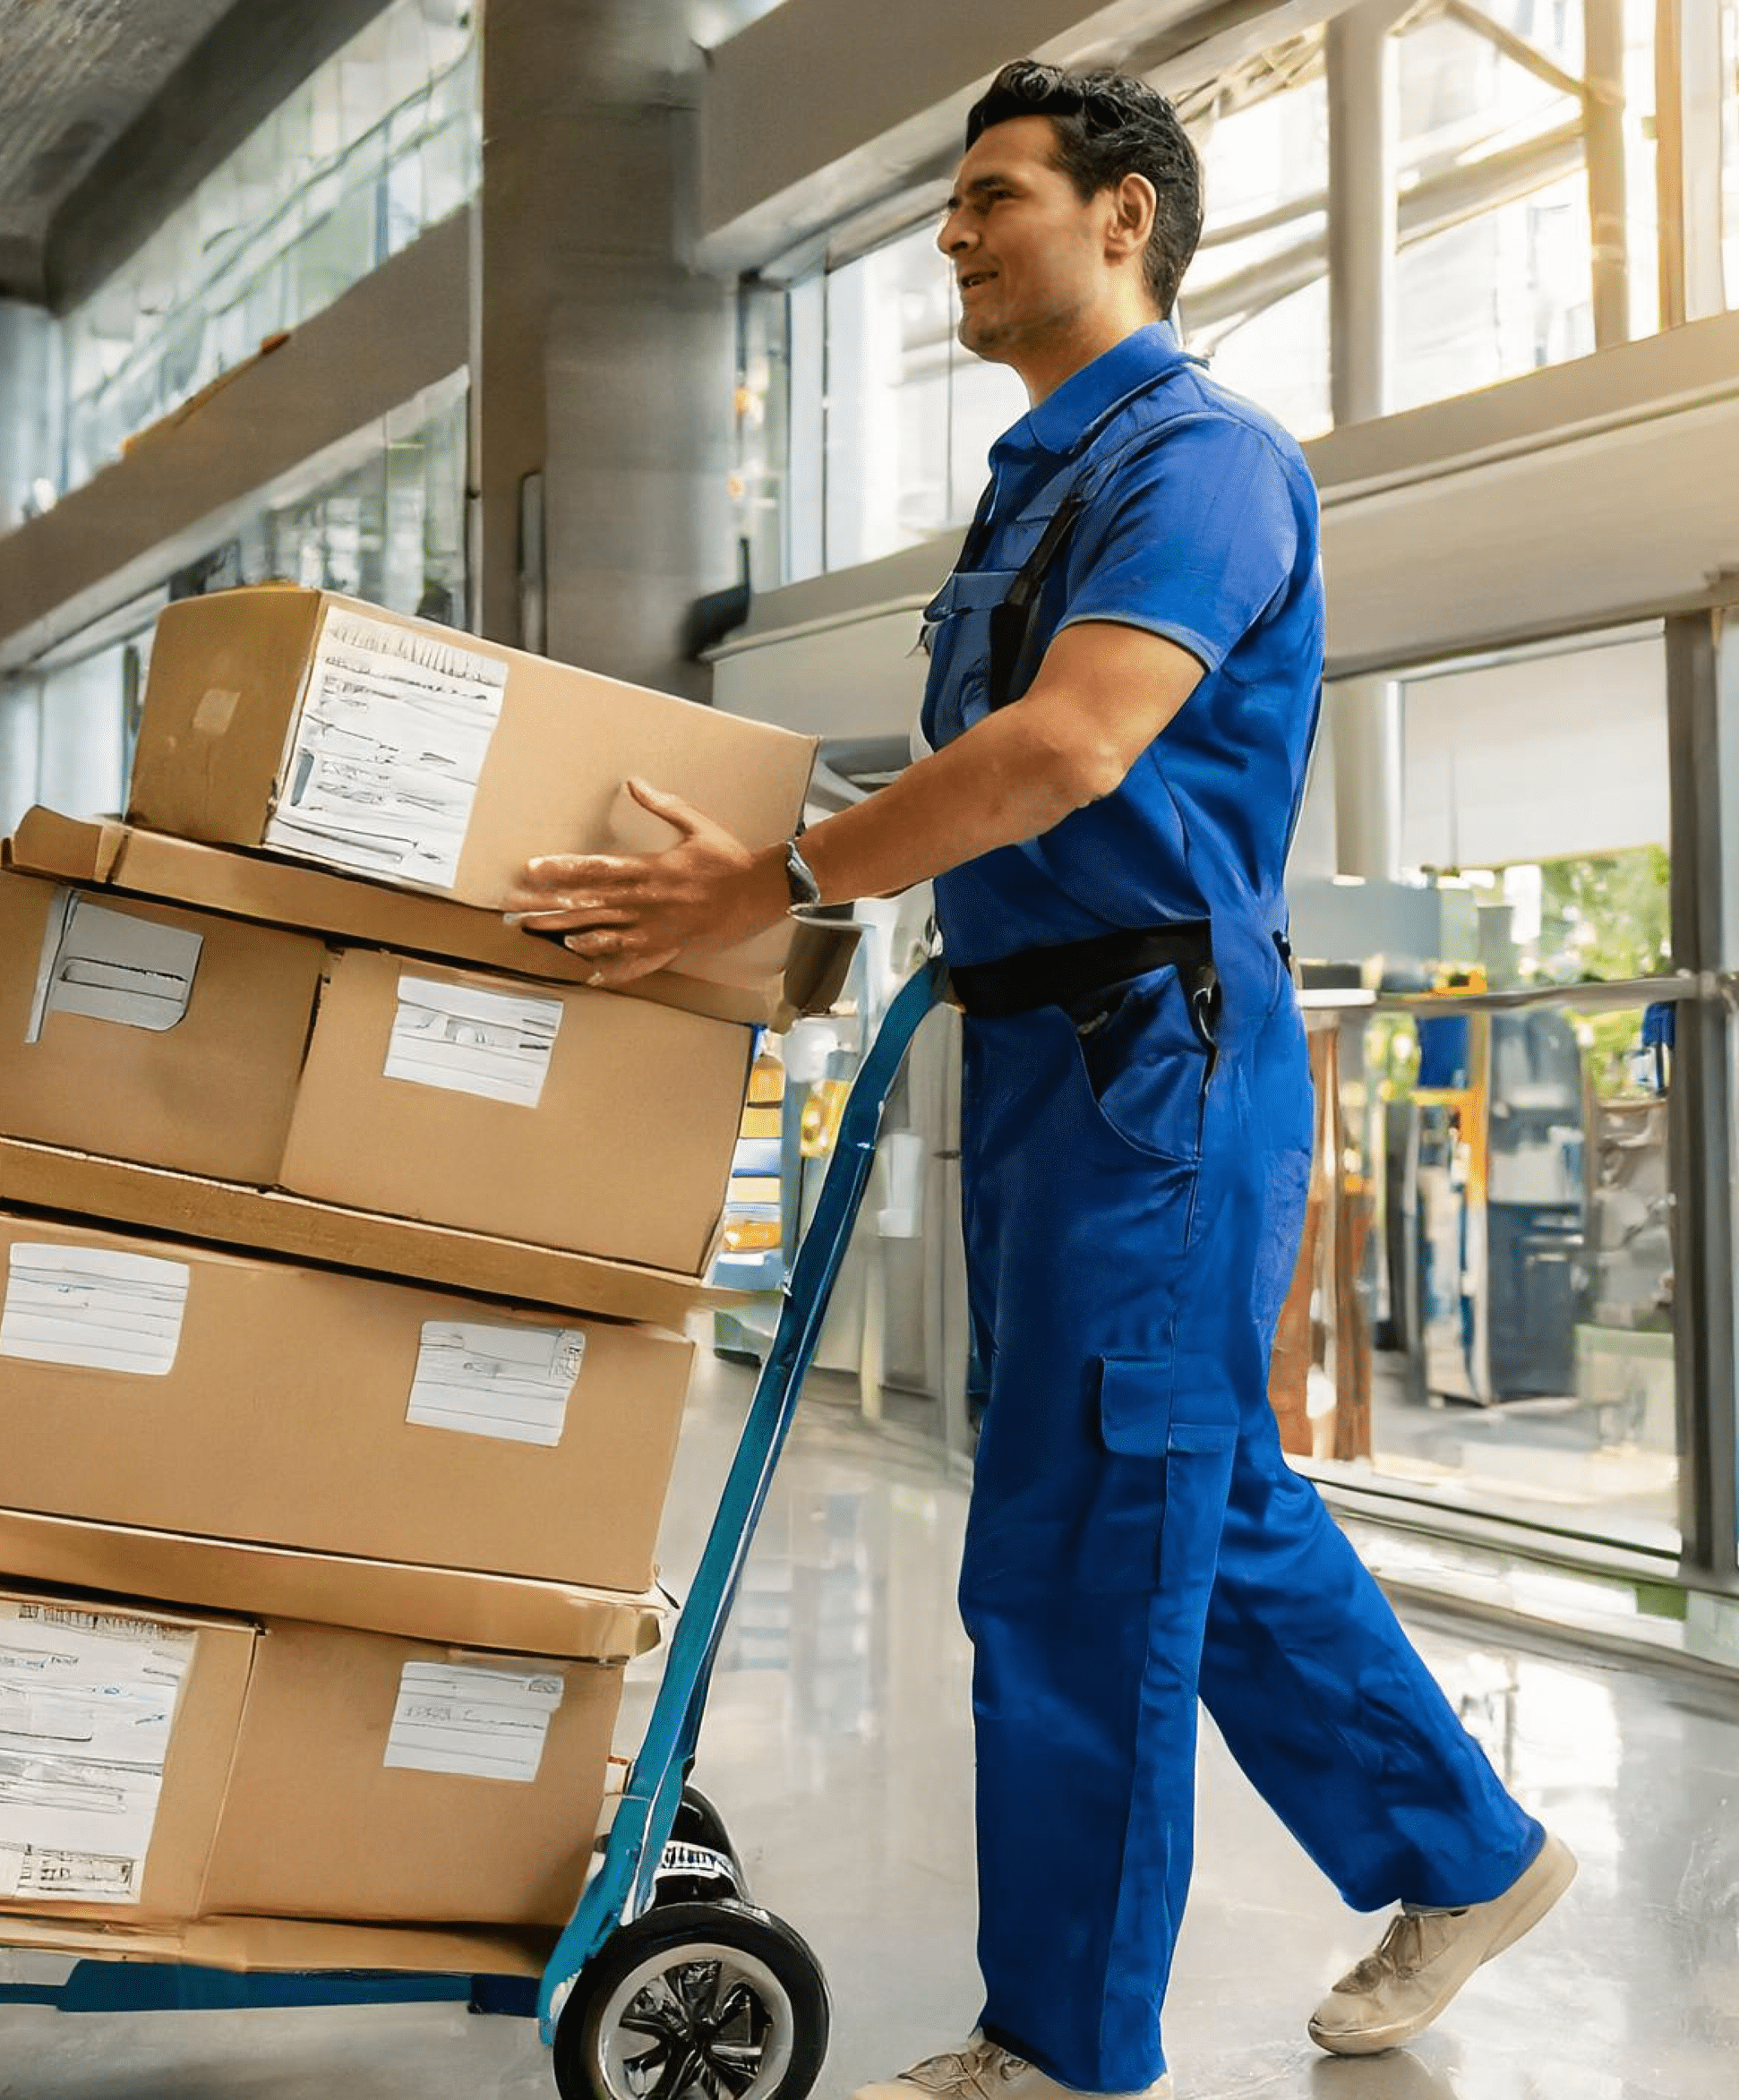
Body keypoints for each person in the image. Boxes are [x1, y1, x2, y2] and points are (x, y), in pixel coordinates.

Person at [509, 61, 1570, 2100]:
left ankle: (1060, 2044)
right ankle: (1470, 1849)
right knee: (1187, 1489)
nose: (954, 235)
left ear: (1124, 218)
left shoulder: (1205, 462)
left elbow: (1075, 749)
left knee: (1082, 1538)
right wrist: (779, 885)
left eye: (993, 194)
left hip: (1153, 1068)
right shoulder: (1038, 479)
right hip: (1047, 1052)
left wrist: (791, 866)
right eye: (950, 205)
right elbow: (997, 796)